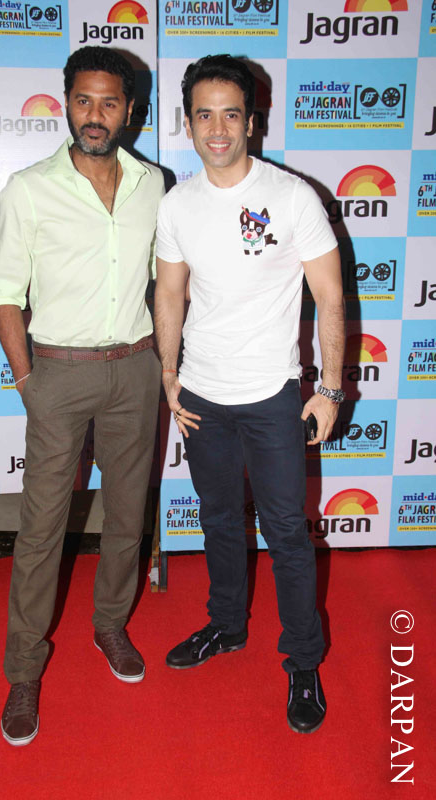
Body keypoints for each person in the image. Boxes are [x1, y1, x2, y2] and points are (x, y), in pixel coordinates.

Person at [154, 55, 345, 734]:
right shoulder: (177, 204)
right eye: (203, 115)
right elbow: (169, 293)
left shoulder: (290, 197)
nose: (217, 128)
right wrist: (169, 373)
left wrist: (329, 389)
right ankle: (227, 625)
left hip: (271, 396)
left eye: (229, 114)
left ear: (251, 122)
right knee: (216, 519)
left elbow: (329, 297)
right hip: (202, 395)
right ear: (187, 124)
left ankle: (302, 661)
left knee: (286, 531)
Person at [0, 46, 164, 746]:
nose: (96, 115)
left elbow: (165, 281)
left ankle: (110, 625)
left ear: (130, 109)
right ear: (66, 103)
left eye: (109, 102)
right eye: (84, 101)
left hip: (136, 368)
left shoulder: (153, 184)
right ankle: (23, 669)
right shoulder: (28, 188)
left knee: (126, 513)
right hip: (57, 373)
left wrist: (166, 362)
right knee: (41, 528)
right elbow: (5, 294)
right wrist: (27, 379)